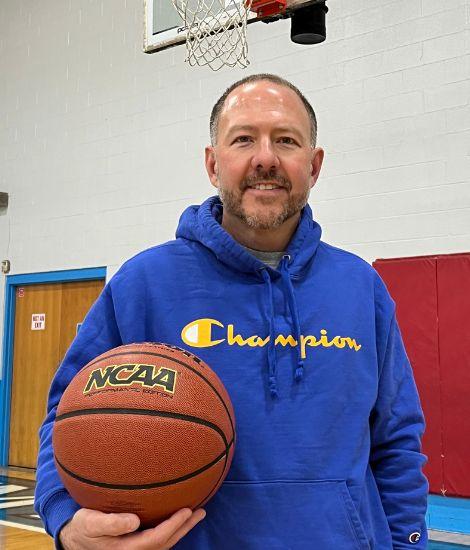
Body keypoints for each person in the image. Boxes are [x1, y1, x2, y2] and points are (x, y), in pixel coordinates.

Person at [35, 73, 429, 549]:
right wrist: (66, 519)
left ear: (314, 165)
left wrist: (408, 543)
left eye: (286, 140)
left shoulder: (360, 287)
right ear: (213, 164)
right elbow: (69, 417)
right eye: (244, 139)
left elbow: (397, 442)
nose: (265, 158)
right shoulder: (145, 283)